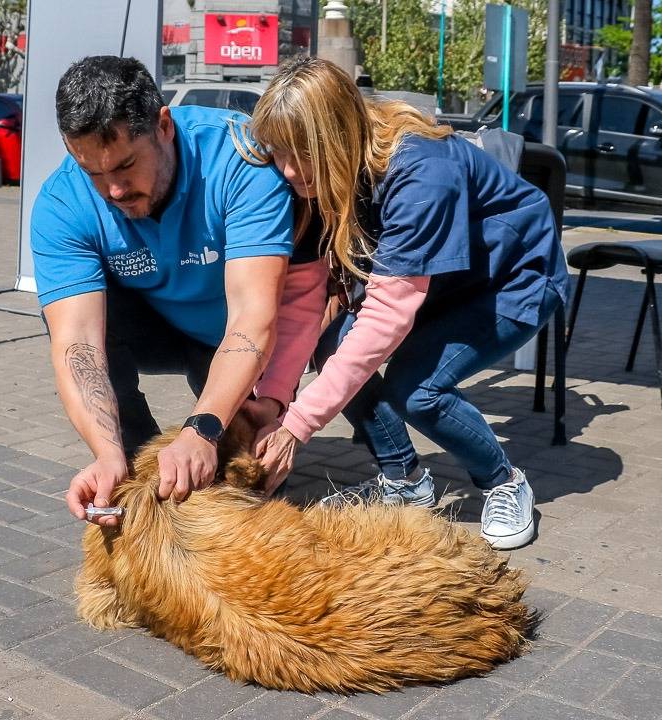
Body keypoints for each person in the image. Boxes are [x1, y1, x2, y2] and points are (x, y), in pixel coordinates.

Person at [244, 57, 569, 550]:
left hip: (514, 280)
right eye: (278, 153)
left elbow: (387, 318)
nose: (289, 172)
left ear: (338, 132)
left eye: (302, 153)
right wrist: (270, 398)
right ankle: (405, 482)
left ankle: (503, 482)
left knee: (416, 389)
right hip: (442, 280)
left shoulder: (420, 173)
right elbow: (316, 304)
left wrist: (296, 424)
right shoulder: (335, 162)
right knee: (333, 346)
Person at [31, 56, 325, 527]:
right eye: (93, 172)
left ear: (163, 126)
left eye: (127, 165)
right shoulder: (62, 203)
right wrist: (106, 454)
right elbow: (77, 346)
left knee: (249, 480)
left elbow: (254, 314)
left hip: (231, 333)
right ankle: (135, 470)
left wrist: (204, 429)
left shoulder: (240, 158)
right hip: (158, 325)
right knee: (75, 329)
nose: (114, 190)